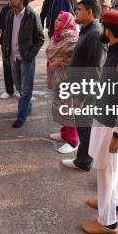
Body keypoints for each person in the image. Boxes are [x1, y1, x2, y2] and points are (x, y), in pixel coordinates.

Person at [81, 10, 118, 234]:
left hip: (112, 126)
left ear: (108, 30)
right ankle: (114, 203)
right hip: (107, 121)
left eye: (103, 26)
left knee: (106, 171)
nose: (100, 30)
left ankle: (107, 221)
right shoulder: (114, 50)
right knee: (112, 171)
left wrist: (117, 134)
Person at [60, 0, 106, 171]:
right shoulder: (88, 30)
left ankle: (84, 161)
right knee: (84, 126)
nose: (75, 13)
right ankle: (84, 158)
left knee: (85, 127)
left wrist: (82, 96)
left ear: (90, 13)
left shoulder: (95, 34)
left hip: (86, 92)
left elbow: (94, 70)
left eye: (79, 10)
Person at [2, 0, 45, 128]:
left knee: (26, 88)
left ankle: (21, 116)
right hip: (13, 57)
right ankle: (28, 106)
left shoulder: (31, 15)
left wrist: (30, 53)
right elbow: (6, 36)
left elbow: (40, 38)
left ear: (22, 1)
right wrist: (6, 54)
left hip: (26, 57)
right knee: (19, 86)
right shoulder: (10, 14)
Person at [46, 11, 80, 154]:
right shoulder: (57, 36)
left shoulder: (72, 38)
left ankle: (73, 140)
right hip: (59, 76)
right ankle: (65, 133)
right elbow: (50, 52)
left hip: (69, 77)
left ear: (67, 22)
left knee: (69, 107)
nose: (56, 22)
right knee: (61, 104)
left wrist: (59, 63)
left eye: (61, 20)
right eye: (56, 19)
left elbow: (76, 60)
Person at [0, 2, 19, 99]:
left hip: (20, 45)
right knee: (7, 68)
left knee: (20, 68)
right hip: (6, 45)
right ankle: (9, 90)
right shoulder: (5, 9)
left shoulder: (27, 12)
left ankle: (21, 90)